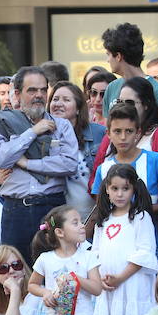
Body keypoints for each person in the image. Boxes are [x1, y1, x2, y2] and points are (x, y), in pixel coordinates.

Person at [0, 66, 78, 264]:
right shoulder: (0, 123)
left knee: (57, 270)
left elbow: (70, 164)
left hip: (52, 207)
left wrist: (28, 163)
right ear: (18, 94)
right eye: (32, 90)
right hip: (15, 210)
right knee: (15, 272)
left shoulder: (61, 125)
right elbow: (2, 159)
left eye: (43, 90)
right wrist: (33, 132)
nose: (39, 95)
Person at [92, 164, 158, 315]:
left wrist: (120, 277)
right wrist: (100, 278)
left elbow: (145, 252)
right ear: (107, 189)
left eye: (125, 188)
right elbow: (95, 252)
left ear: (133, 189)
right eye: (115, 188)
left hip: (133, 283)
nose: (120, 194)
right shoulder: (103, 220)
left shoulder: (140, 217)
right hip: (109, 286)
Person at [100, 23, 158, 145]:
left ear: (118, 56)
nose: (107, 60)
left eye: (108, 54)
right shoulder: (111, 88)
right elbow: (108, 136)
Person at [91, 103, 158, 212]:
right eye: (117, 131)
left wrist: (138, 211)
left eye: (129, 131)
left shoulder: (155, 160)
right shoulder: (103, 169)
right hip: (115, 228)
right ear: (108, 133)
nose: (123, 137)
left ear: (138, 133)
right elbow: (101, 208)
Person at [48, 81, 105, 220]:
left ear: (78, 108)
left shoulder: (99, 133)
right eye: (55, 99)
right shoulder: (42, 137)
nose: (58, 103)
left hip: (95, 218)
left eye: (66, 100)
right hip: (60, 221)